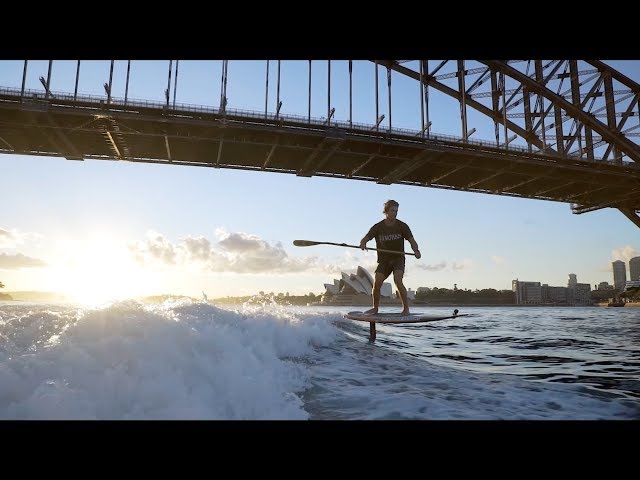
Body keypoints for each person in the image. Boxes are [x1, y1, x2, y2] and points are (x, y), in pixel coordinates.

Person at [359, 199, 421, 315]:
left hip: (398, 258)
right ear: (386, 211)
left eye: (396, 211)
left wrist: (416, 250)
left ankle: (406, 309)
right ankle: (375, 308)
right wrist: (363, 243)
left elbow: (412, 241)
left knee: (398, 280)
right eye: (392, 210)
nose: (395, 213)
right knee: (377, 282)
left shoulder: (402, 226)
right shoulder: (378, 227)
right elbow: (366, 238)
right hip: (384, 260)